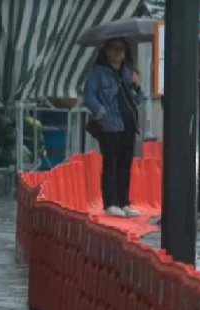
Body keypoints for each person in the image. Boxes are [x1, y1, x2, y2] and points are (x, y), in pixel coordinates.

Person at [83, 37, 143, 218]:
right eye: (114, 49)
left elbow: (139, 99)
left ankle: (124, 202)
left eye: (122, 50)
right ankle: (111, 202)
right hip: (109, 125)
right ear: (107, 51)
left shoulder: (128, 73)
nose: (118, 53)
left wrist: (136, 86)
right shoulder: (98, 73)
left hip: (128, 123)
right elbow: (89, 96)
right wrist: (102, 115)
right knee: (111, 162)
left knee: (126, 163)